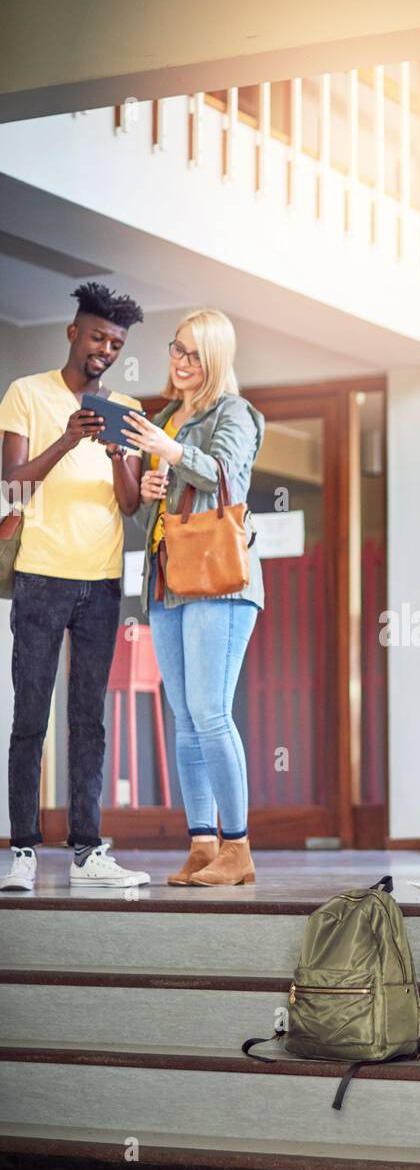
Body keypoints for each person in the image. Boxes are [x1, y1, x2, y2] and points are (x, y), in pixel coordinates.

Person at [0, 282, 149, 891]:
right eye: (97, 337)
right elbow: (12, 487)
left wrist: (117, 453)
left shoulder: (129, 408)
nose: (104, 350)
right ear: (73, 333)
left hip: (103, 584)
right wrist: (66, 437)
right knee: (31, 716)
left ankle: (88, 852)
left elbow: (132, 504)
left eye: (115, 343)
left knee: (90, 719)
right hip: (40, 578)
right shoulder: (26, 394)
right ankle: (24, 853)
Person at [125, 309, 264, 886]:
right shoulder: (164, 417)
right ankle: (202, 843)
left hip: (220, 581)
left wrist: (173, 453)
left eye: (194, 355)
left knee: (209, 713)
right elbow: (157, 513)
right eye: (177, 350)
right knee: (184, 718)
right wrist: (155, 487)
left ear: (216, 361)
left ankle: (238, 848)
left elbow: (231, 475)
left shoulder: (235, 412)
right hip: (168, 579)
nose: (181, 363)